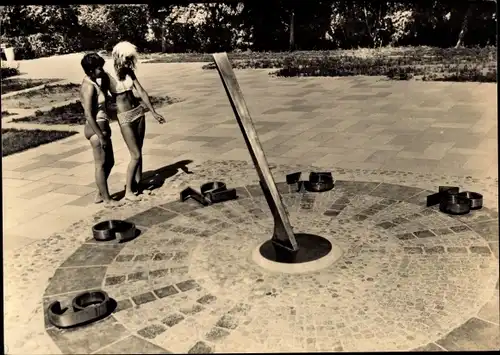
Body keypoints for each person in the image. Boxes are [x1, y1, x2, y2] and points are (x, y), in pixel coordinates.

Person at [106, 41, 166, 201]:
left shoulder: (129, 72)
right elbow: (102, 98)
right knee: (136, 155)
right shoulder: (107, 75)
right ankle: (128, 192)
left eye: (130, 59)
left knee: (139, 150)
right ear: (117, 56)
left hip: (138, 112)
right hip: (124, 117)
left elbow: (142, 91)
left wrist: (153, 112)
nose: (128, 62)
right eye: (126, 59)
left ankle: (139, 185)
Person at [80, 53, 119, 206]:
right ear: (90, 70)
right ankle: (107, 199)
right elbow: (89, 115)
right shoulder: (88, 87)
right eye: (98, 68)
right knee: (101, 165)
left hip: (102, 126)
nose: (101, 70)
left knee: (110, 162)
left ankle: (100, 193)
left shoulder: (94, 82)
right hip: (96, 129)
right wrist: (101, 136)